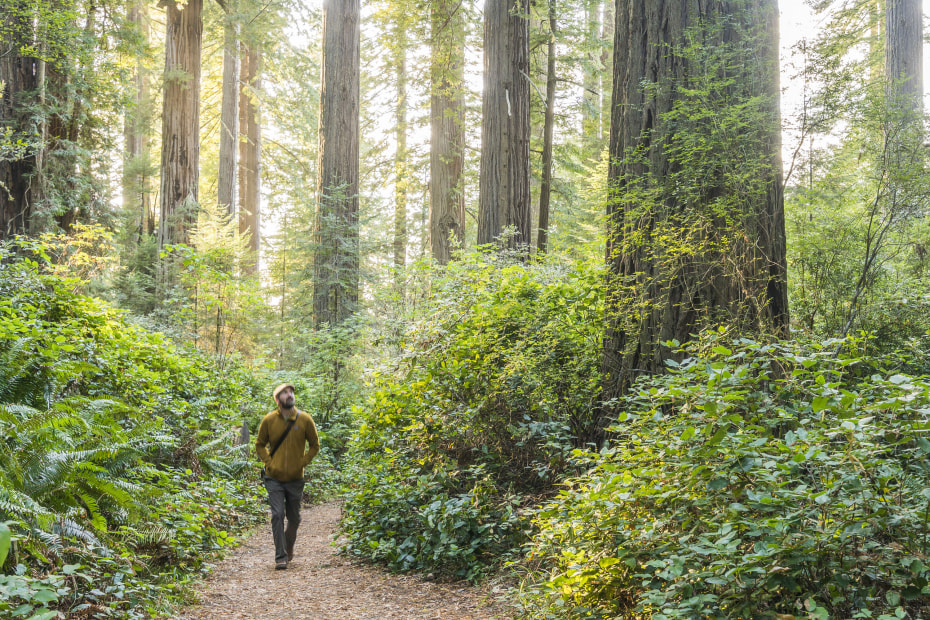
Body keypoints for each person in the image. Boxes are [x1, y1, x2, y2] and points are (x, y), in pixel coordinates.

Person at [255, 383, 320, 569]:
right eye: (284, 393)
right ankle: (280, 556)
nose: (289, 395)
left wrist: (302, 463)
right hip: (273, 477)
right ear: (278, 399)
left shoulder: (305, 419)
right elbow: (260, 444)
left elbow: (315, 445)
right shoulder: (268, 420)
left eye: (291, 392)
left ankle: (289, 545)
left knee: (294, 518)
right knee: (277, 514)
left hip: (295, 478)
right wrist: (269, 462)